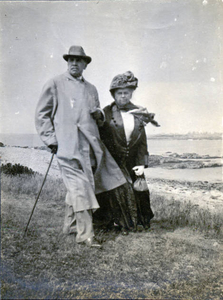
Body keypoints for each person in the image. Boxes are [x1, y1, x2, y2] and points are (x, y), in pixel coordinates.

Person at [35, 45, 126, 248]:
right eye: (70, 60)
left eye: (78, 60)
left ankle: (70, 226)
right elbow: (42, 115)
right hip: (66, 147)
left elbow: (99, 119)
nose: (74, 63)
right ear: (67, 62)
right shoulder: (55, 84)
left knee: (81, 187)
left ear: (85, 64)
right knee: (81, 189)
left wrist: (100, 116)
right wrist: (51, 140)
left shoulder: (91, 88)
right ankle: (86, 235)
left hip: (90, 149)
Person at [96, 71, 159, 235]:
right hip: (113, 161)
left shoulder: (139, 112)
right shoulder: (106, 112)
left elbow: (142, 141)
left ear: (131, 93)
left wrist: (142, 163)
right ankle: (118, 223)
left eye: (126, 93)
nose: (123, 96)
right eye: (119, 93)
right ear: (114, 94)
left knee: (140, 191)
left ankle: (141, 222)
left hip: (132, 160)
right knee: (117, 193)